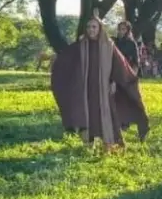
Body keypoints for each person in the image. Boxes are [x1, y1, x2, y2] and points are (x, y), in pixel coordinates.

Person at [50, 16, 149, 149]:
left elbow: (119, 65)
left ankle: (109, 143)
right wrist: (54, 60)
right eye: (89, 27)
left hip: (104, 87)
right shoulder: (81, 45)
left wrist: (114, 82)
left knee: (106, 114)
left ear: (100, 29)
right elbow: (66, 58)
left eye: (94, 27)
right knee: (86, 113)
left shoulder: (109, 45)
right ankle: (88, 143)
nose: (91, 30)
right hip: (86, 87)